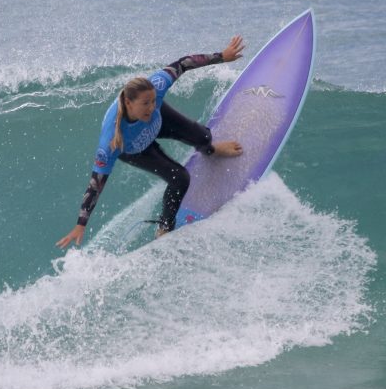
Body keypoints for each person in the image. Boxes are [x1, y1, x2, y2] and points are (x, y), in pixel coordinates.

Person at [56, 36, 246, 248]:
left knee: (203, 137)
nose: (151, 106)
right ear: (129, 103)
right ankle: (164, 228)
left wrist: (221, 56)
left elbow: (183, 63)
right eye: (146, 103)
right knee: (180, 178)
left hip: (159, 122)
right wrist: (81, 224)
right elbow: (96, 183)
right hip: (136, 150)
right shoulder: (112, 141)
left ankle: (210, 150)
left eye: (154, 100)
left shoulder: (155, 91)